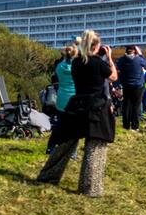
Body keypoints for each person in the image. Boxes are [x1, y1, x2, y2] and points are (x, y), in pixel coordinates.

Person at [37, 29, 117, 197]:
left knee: (66, 143)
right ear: (95, 46)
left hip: (77, 105)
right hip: (96, 107)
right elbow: (114, 77)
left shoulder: (76, 63)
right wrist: (109, 57)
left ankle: (48, 175)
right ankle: (90, 188)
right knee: (95, 148)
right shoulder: (98, 63)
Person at [115, 45, 146, 131]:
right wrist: (140, 54)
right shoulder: (139, 59)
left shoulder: (121, 60)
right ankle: (134, 126)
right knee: (136, 106)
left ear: (126, 51)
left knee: (126, 105)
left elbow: (118, 68)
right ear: (134, 51)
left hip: (126, 85)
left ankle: (126, 125)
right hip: (138, 86)